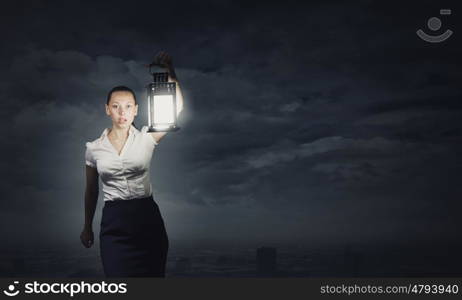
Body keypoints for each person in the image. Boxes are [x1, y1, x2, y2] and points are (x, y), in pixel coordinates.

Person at [80, 51, 184, 277]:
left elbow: (177, 109)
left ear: (136, 109)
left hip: (147, 218)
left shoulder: (147, 138)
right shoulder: (93, 148)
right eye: (116, 106)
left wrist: (170, 73)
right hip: (114, 223)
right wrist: (87, 226)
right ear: (107, 109)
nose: (122, 112)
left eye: (128, 106)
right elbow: (91, 190)